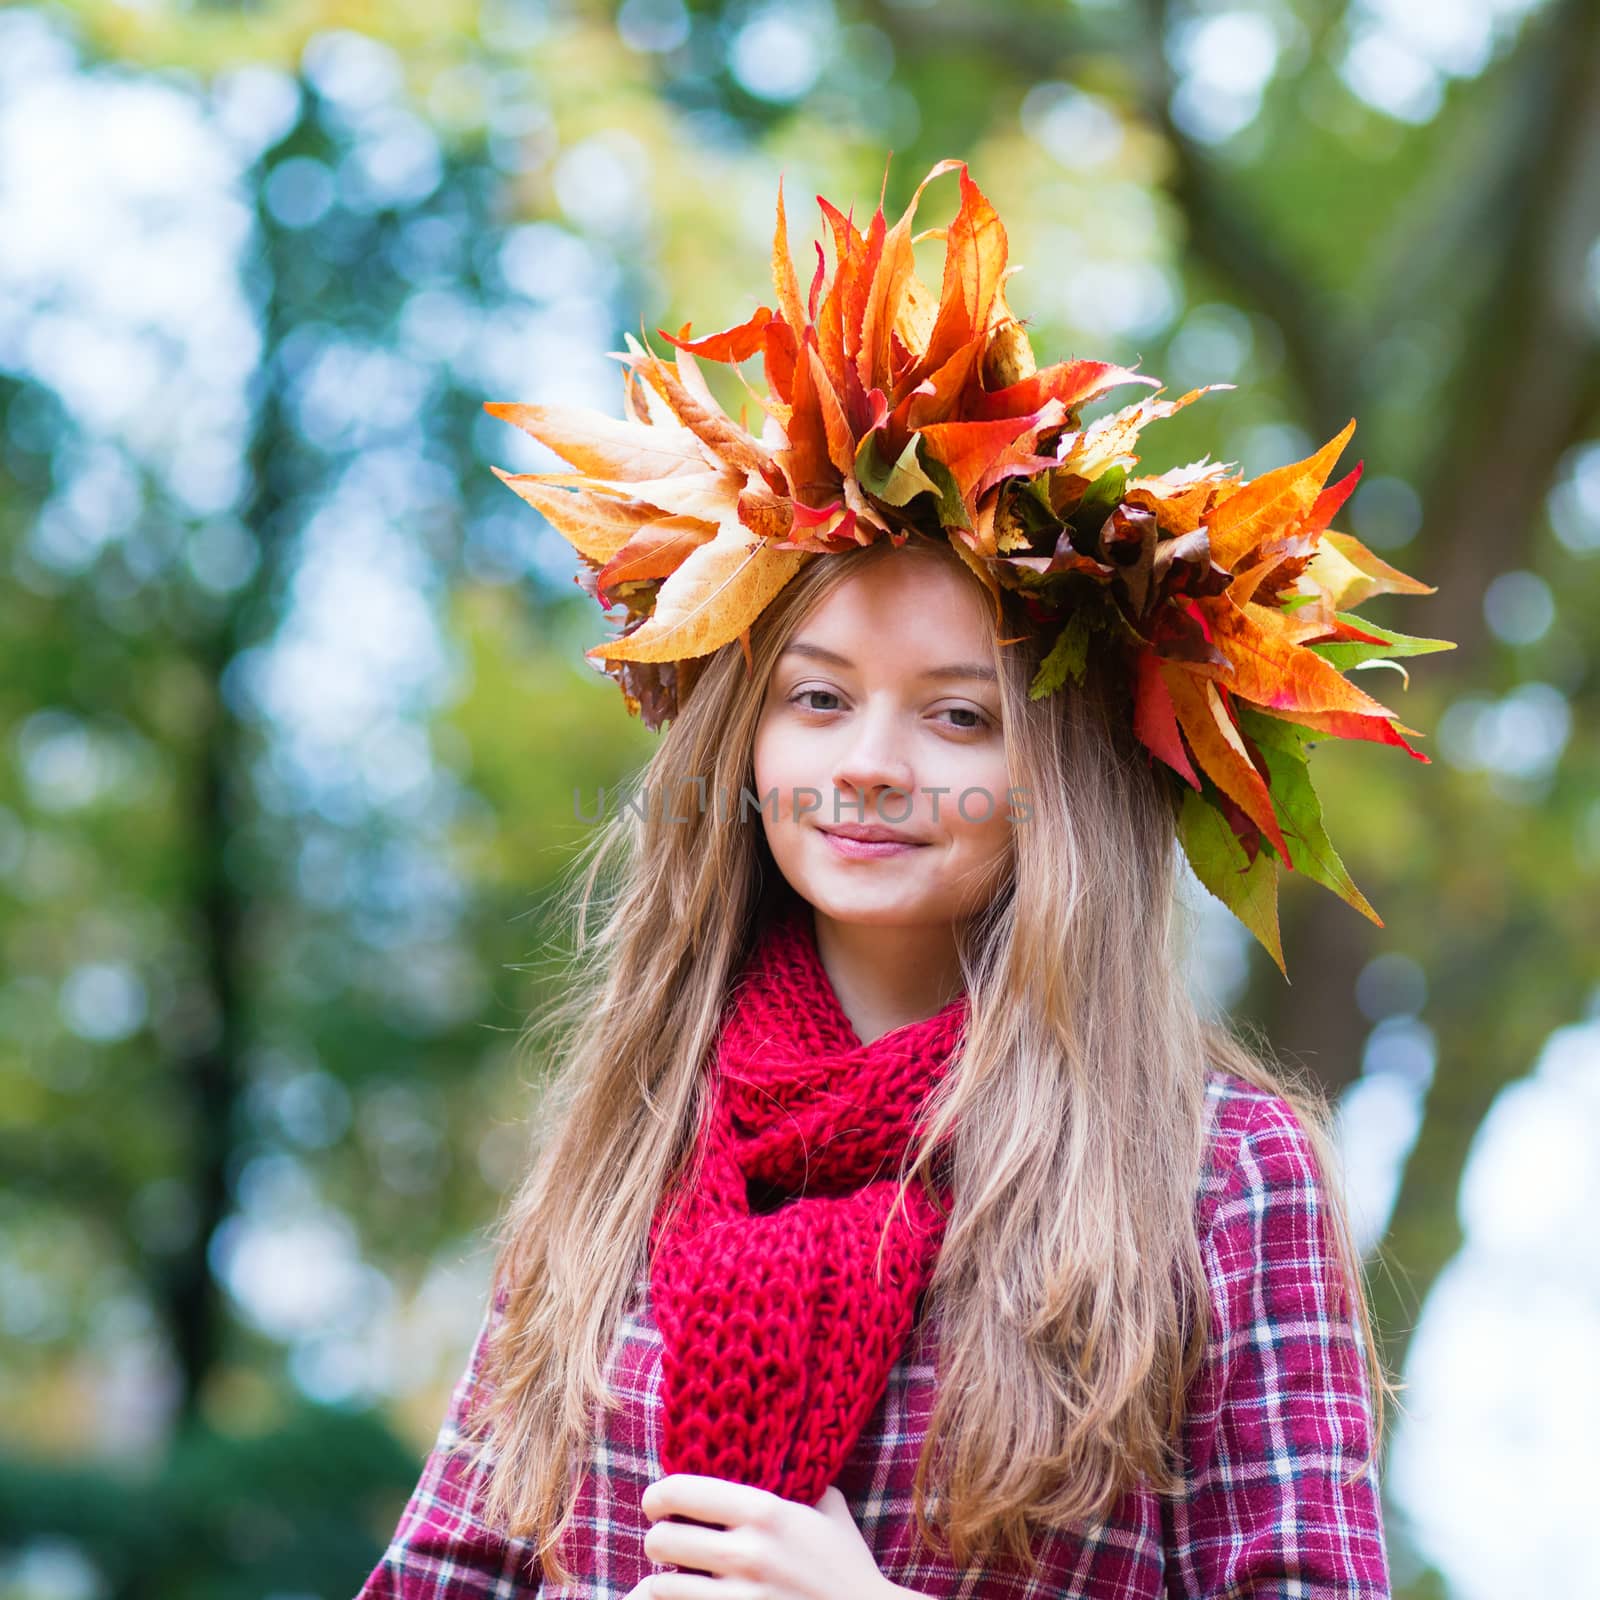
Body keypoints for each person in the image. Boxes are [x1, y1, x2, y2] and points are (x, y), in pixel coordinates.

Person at [355, 157, 1442, 1600]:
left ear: (1063, 785)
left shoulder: (1217, 1176)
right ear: (743, 748)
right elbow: (448, 1573)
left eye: (957, 715)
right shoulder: (630, 1143)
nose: (869, 763)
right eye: (817, 700)